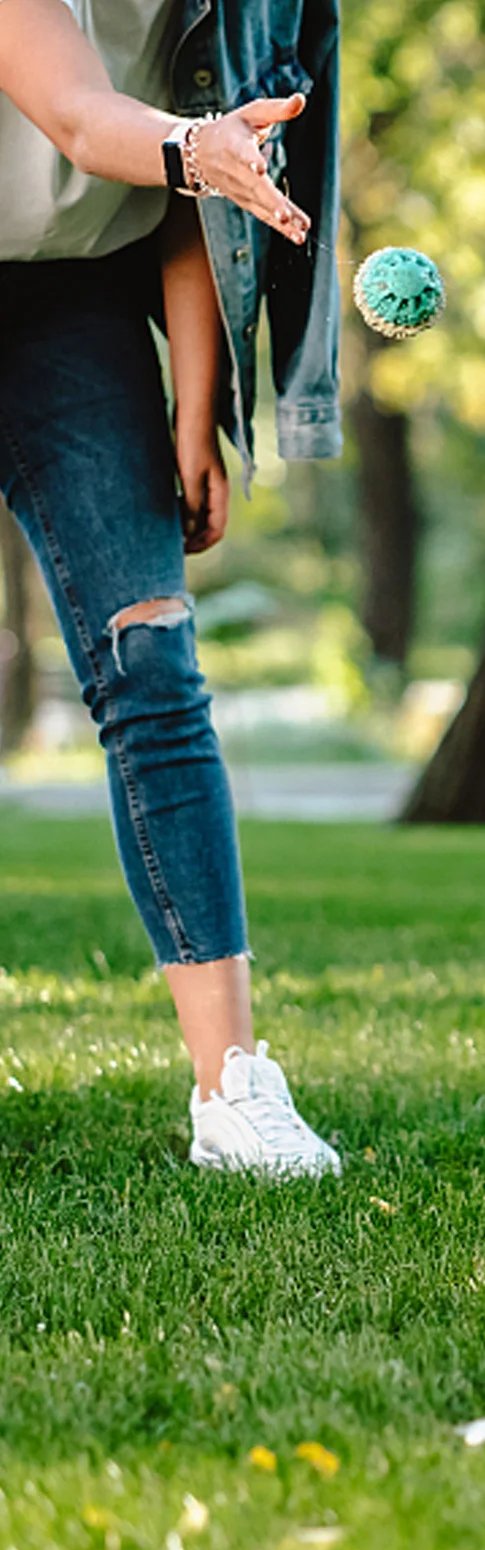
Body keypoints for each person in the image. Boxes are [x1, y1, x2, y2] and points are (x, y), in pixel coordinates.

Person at [0, 0, 343, 1175]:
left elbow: (191, 193)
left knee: (154, 665)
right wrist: (201, 147)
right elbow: (85, 116)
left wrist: (195, 411)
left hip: (77, 308)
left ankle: (233, 1090)